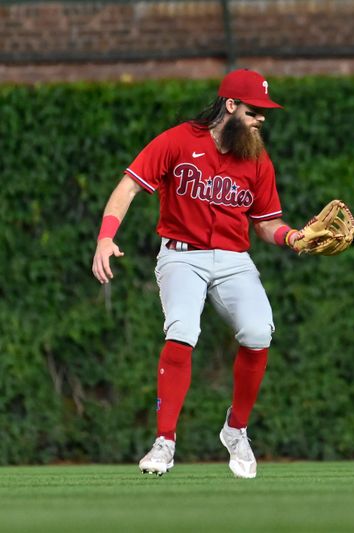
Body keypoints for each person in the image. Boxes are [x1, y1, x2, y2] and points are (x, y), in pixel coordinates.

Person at [91, 69, 308, 478]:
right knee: (182, 330)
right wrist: (105, 238)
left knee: (260, 331)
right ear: (230, 105)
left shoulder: (258, 160)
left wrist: (293, 237)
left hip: (233, 259)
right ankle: (165, 442)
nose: (261, 118)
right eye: (254, 110)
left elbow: (265, 224)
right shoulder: (177, 141)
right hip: (181, 256)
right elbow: (128, 187)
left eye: (263, 112)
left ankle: (236, 429)